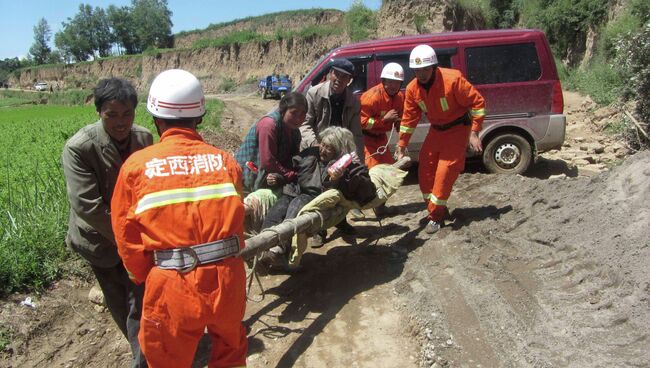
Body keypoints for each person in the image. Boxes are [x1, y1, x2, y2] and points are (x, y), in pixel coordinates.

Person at [111, 69, 247, 368]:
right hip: (228, 277)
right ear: (199, 116)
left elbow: (126, 236)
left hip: (172, 281)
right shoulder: (224, 161)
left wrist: (150, 275)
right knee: (230, 353)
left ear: (155, 118)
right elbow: (237, 223)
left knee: (167, 360)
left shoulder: (136, 167)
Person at [62, 77, 152, 368]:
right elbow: (87, 206)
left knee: (140, 302)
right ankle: (140, 352)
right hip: (100, 241)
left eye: (127, 113)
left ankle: (144, 358)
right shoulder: (80, 148)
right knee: (118, 301)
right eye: (111, 114)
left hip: (138, 240)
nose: (120, 121)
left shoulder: (144, 139)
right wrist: (128, 239)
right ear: (98, 112)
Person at [396, 44, 486, 235]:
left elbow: (477, 103)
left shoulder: (453, 80)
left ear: (434, 67)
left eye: (424, 70)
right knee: (425, 171)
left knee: (444, 173)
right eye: (417, 70)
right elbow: (408, 119)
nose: (421, 74)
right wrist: (402, 144)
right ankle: (437, 208)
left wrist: (474, 132)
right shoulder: (413, 89)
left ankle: (435, 218)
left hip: (457, 130)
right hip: (436, 131)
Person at [259, 126, 376, 269]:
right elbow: (290, 171)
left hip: (314, 200)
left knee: (296, 206)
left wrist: (342, 178)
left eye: (329, 148)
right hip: (294, 191)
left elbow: (367, 191)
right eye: (323, 145)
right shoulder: (310, 154)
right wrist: (278, 178)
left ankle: (279, 250)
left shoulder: (350, 166)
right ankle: (261, 248)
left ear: (340, 150)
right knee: (277, 210)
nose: (322, 150)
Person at [300, 58, 364, 237]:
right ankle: (319, 231)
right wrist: (315, 144)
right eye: (336, 74)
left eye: (345, 77)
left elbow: (356, 133)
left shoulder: (352, 100)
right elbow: (305, 124)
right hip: (318, 146)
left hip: (340, 150)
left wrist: (357, 158)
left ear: (349, 80)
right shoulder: (314, 93)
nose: (339, 79)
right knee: (318, 188)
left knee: (341, 186)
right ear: (329, 74)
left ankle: (341, 222)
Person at [235, 92, 307, 194]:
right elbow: (268, 162)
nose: (298, 119)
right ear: (283, 111)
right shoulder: (269, 125)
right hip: (249, 177)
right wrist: (289, 174)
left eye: (302, 114)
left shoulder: (295, 131)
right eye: (294, 113)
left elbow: (294, 157)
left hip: (271, 174)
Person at [359, 62, 405, 217]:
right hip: (366, 140)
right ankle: (356, 205)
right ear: (383, 81)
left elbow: (400, 120)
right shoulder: (371, 98)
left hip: (381, 140)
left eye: (397, 82)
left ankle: (380, 206)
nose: (393, 85)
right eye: (390, 81)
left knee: (390, 173)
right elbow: (362, 122)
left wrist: (402, 142)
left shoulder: (399, 98)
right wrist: (383, 121)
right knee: (371, 175)